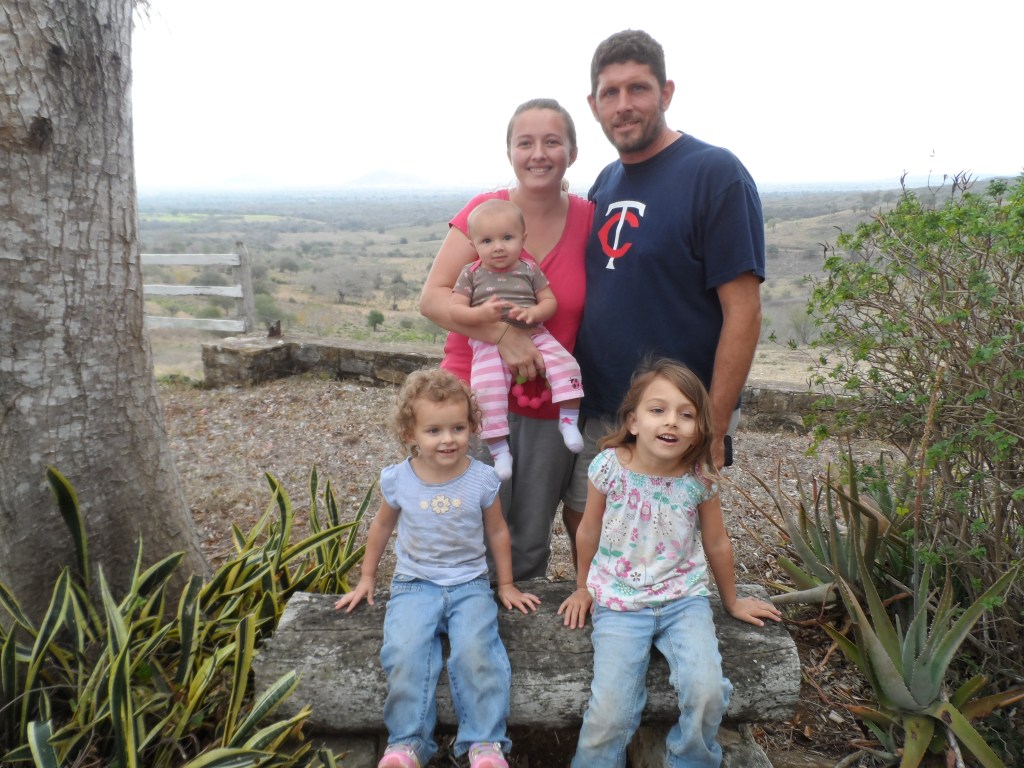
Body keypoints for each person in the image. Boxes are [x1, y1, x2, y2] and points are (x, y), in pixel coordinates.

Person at [562, 30, 767, 564]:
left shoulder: (714, 174)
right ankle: (605, 614)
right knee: (588, 515)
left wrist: (715, 426)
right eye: (610, 93)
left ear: (667, 92)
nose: (624, 105)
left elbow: (742, 310)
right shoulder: (606, 179)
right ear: (593, 105)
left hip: (676, 410)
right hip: (604, 401)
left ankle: (664, 626)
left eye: (639, 89)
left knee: (665, 537)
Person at [557, 359, 782, 768]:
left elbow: (716, 541)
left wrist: (731, 601)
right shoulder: (608, 467)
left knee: (706, 690)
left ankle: (690, 760)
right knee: (609, 709)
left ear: (701, 427)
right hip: (620, 604)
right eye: (658, 410)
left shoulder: (699, 477)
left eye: (686, 414)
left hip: (683, 601)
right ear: (633, 420)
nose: (672, 422)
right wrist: (582, 585)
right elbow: (587, 530)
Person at [419, 98, 593, 580]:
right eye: (526, 143)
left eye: (552, 141)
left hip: (547, 404)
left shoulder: (588, 218)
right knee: (461, 523)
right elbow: (432, 300)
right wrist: (502, 335)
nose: (539, 154)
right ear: (510, 152)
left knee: (529, 538)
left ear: (572, 152)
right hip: (470, 397)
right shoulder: (483, 212)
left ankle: (520, 634)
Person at [334, 369, 541, 768]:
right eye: (434, 430)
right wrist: (366, 577)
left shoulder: (482, 479)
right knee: (405, 651)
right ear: (410, 433)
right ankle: (407, 743)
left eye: (458, 427)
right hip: (415, 584)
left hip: (470, 585)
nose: (448, 439)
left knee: (477, 652)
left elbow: (497, 531)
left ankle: (483, 743)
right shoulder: (398, 479)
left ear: (473, 427)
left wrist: (507, 584)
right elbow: (380, 526)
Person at [450, 198, 585, 480]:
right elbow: (455, 310)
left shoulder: (528, 269)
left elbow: (549, 301)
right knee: (487, 390)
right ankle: (499, 451)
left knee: (567, 363)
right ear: (474, 245)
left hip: (534, 332)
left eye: (507, 238)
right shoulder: (470, 274)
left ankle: (568, 419)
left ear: (522, 239)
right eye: (487, 241)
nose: (498, 247)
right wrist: (481, 314)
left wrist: (533, 311)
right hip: (487, 342)